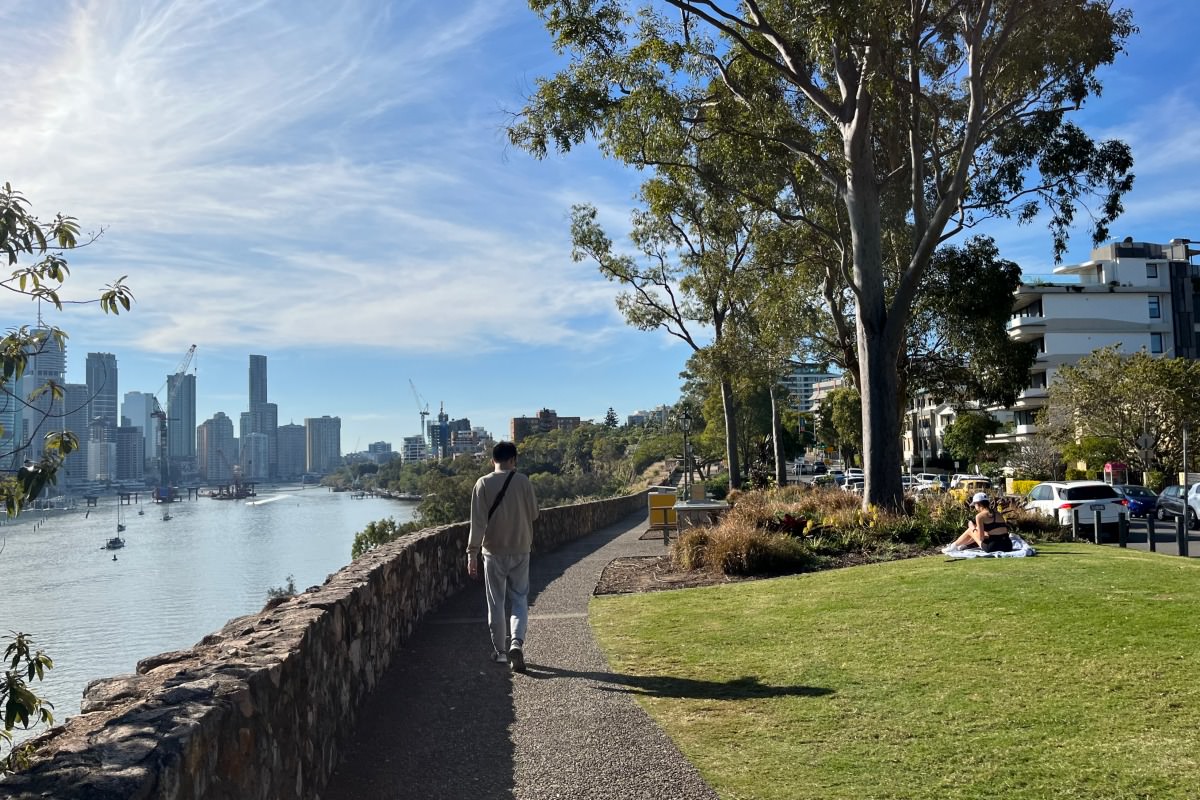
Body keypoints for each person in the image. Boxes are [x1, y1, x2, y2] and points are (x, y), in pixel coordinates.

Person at [466, 441, 539, 672]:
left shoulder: (482, 484)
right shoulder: (523, 481)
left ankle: (500, 652)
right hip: (520, 548)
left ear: (492, 461)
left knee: (496, 602)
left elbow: (477, 523)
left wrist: (472, 553)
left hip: (493, 552)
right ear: (513, 460)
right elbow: (535, 514)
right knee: (519, 597)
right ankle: (517, 641)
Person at [944, 492, 1013, 553]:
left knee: (970, 530)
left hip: (993, 547)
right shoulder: (997, 513)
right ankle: (963, 545)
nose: (974, 507)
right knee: (978, 530)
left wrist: (972, 528)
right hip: (1008, 545)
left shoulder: (980, 516)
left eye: (974, 505)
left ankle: (953, 546)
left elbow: (981, 538)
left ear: (978, 504)